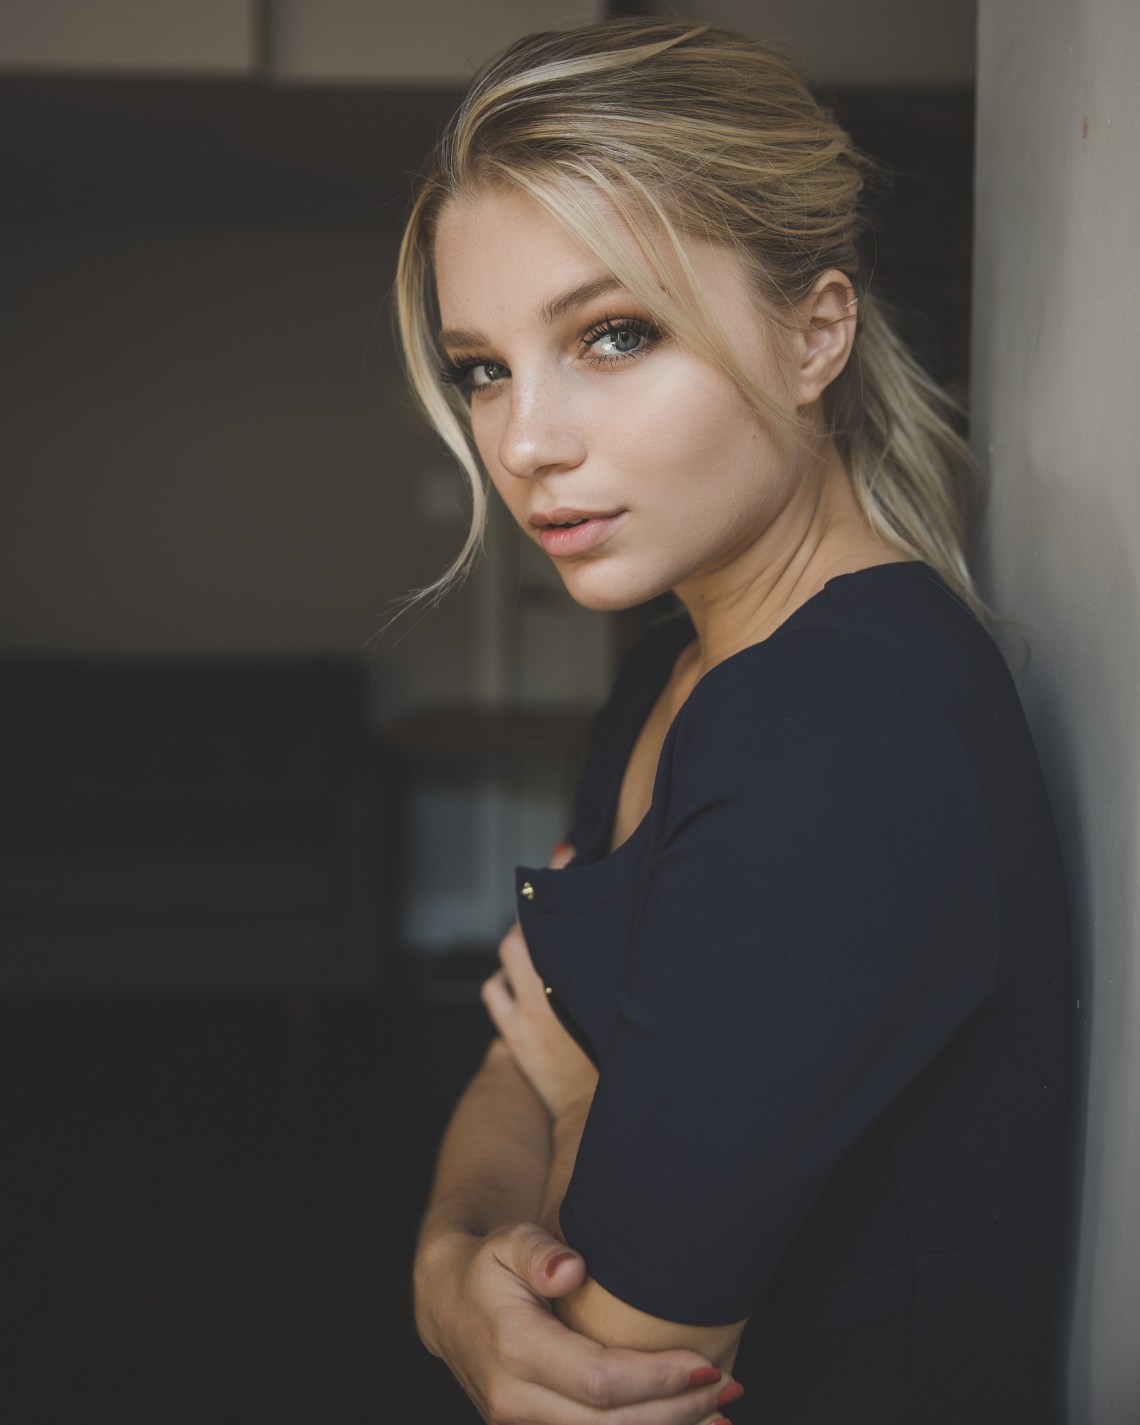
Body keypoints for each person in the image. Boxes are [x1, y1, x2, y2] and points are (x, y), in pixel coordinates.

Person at [396, 19, 1072, 1425]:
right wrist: (452, 1269)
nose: (524, 441)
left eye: (614, 334)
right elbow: (509, 1050)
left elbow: (611, 1367)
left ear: (818, 328)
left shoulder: (840, 739)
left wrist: (569, 1100)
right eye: (484, 366)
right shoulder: (669, 673)